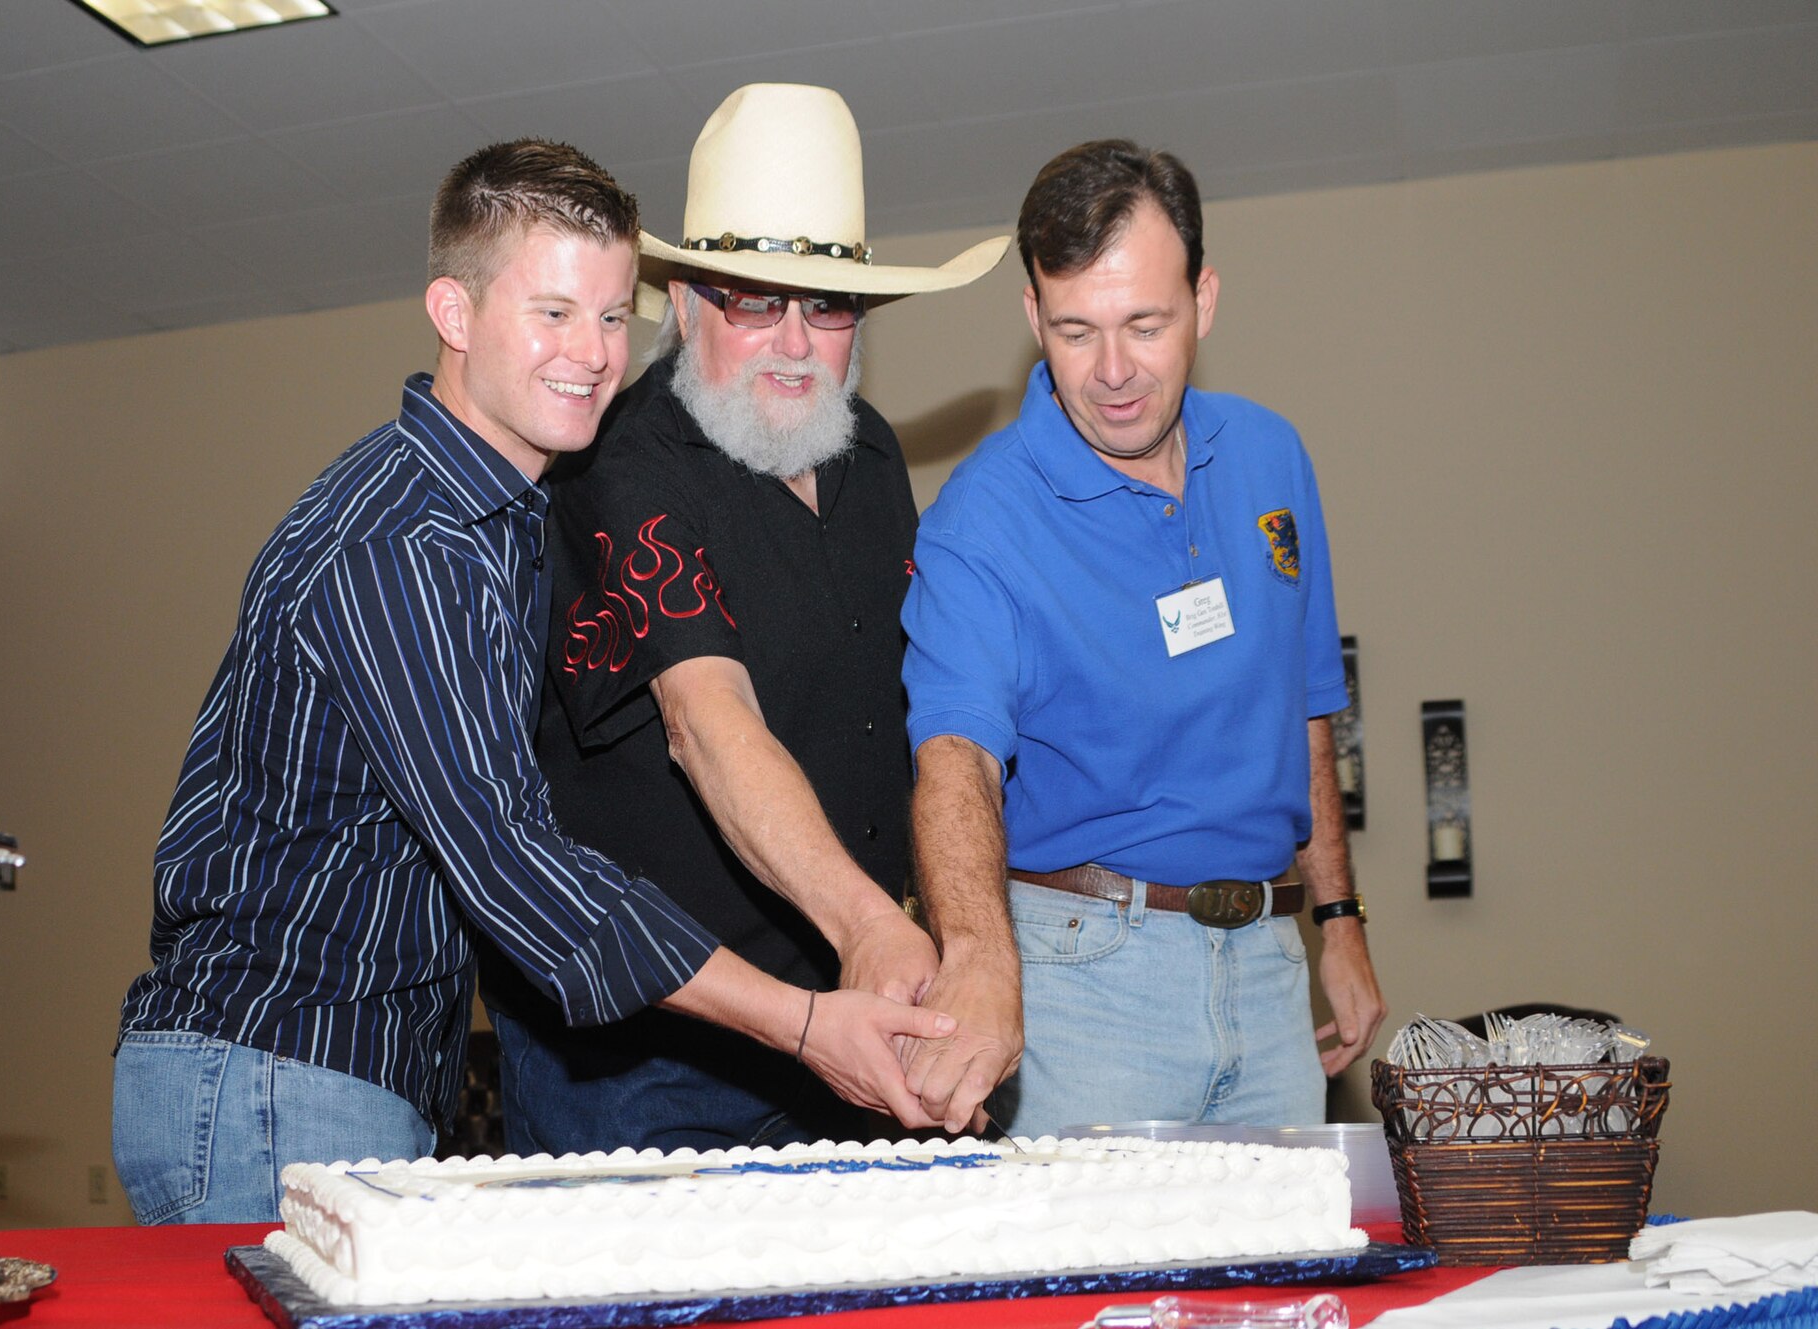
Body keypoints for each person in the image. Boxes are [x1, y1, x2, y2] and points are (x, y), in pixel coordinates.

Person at [112, 138, 954, 1224]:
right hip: (272, 1069)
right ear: (454, 317)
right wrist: (802, 1022)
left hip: (354, 1073)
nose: (592, 353)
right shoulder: (402, 539)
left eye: (608, 316)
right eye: (550, 313)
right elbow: (514, 862)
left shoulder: (506, 520)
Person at [485, 84, 1010, 1154]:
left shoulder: (869, 461)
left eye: (824, 307)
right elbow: (706, 722)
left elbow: (905, 725)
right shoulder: (620, 467)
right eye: (752, 301)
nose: (791, 341)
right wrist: (872, 927)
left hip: (843, 1038)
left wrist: (944, 951)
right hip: (646, 1060)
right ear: (681, 306)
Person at [899, 140, 1386, 1138]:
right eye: (1074, 331)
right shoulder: (979, 519)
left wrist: (1338, 923)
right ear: (1031, 316)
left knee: (1279, 1289)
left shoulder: (1268, 456)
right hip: (1084, 984)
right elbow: (954, 760)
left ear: (1203, 302)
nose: (1111, 372)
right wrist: (979, 962)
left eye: (1143, 325)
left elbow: (1305, 703)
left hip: (1266, 960)